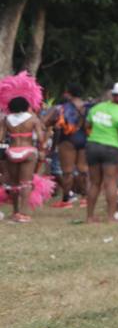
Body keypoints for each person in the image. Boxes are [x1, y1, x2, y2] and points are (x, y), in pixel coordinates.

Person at [0, 72, 54, 221]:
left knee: (14, 184)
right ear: (26, 105)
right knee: (26, 183)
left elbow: (0, 138)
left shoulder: (6, 119)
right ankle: (23, 213)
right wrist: (44, 144)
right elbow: (41, 139)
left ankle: (15, 211)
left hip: (11, 152)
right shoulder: (33, 119)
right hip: (28, 151)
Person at [83, 82, 118, 223]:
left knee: (94, 183)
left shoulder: (97, 108)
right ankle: (110, 217)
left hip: (93, 146)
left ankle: (89, 217)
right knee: (110, 183)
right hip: (111, 148)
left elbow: (87, 126)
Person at [46, 84, 88, 207]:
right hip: (84, 138)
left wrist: (53, 122)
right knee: (83, 170)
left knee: (67, 172)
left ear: (68, 93)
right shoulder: (88, 107)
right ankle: (85, 198)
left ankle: (66, 200)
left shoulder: (61, 108)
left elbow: (45, 122)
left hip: (67, 139)